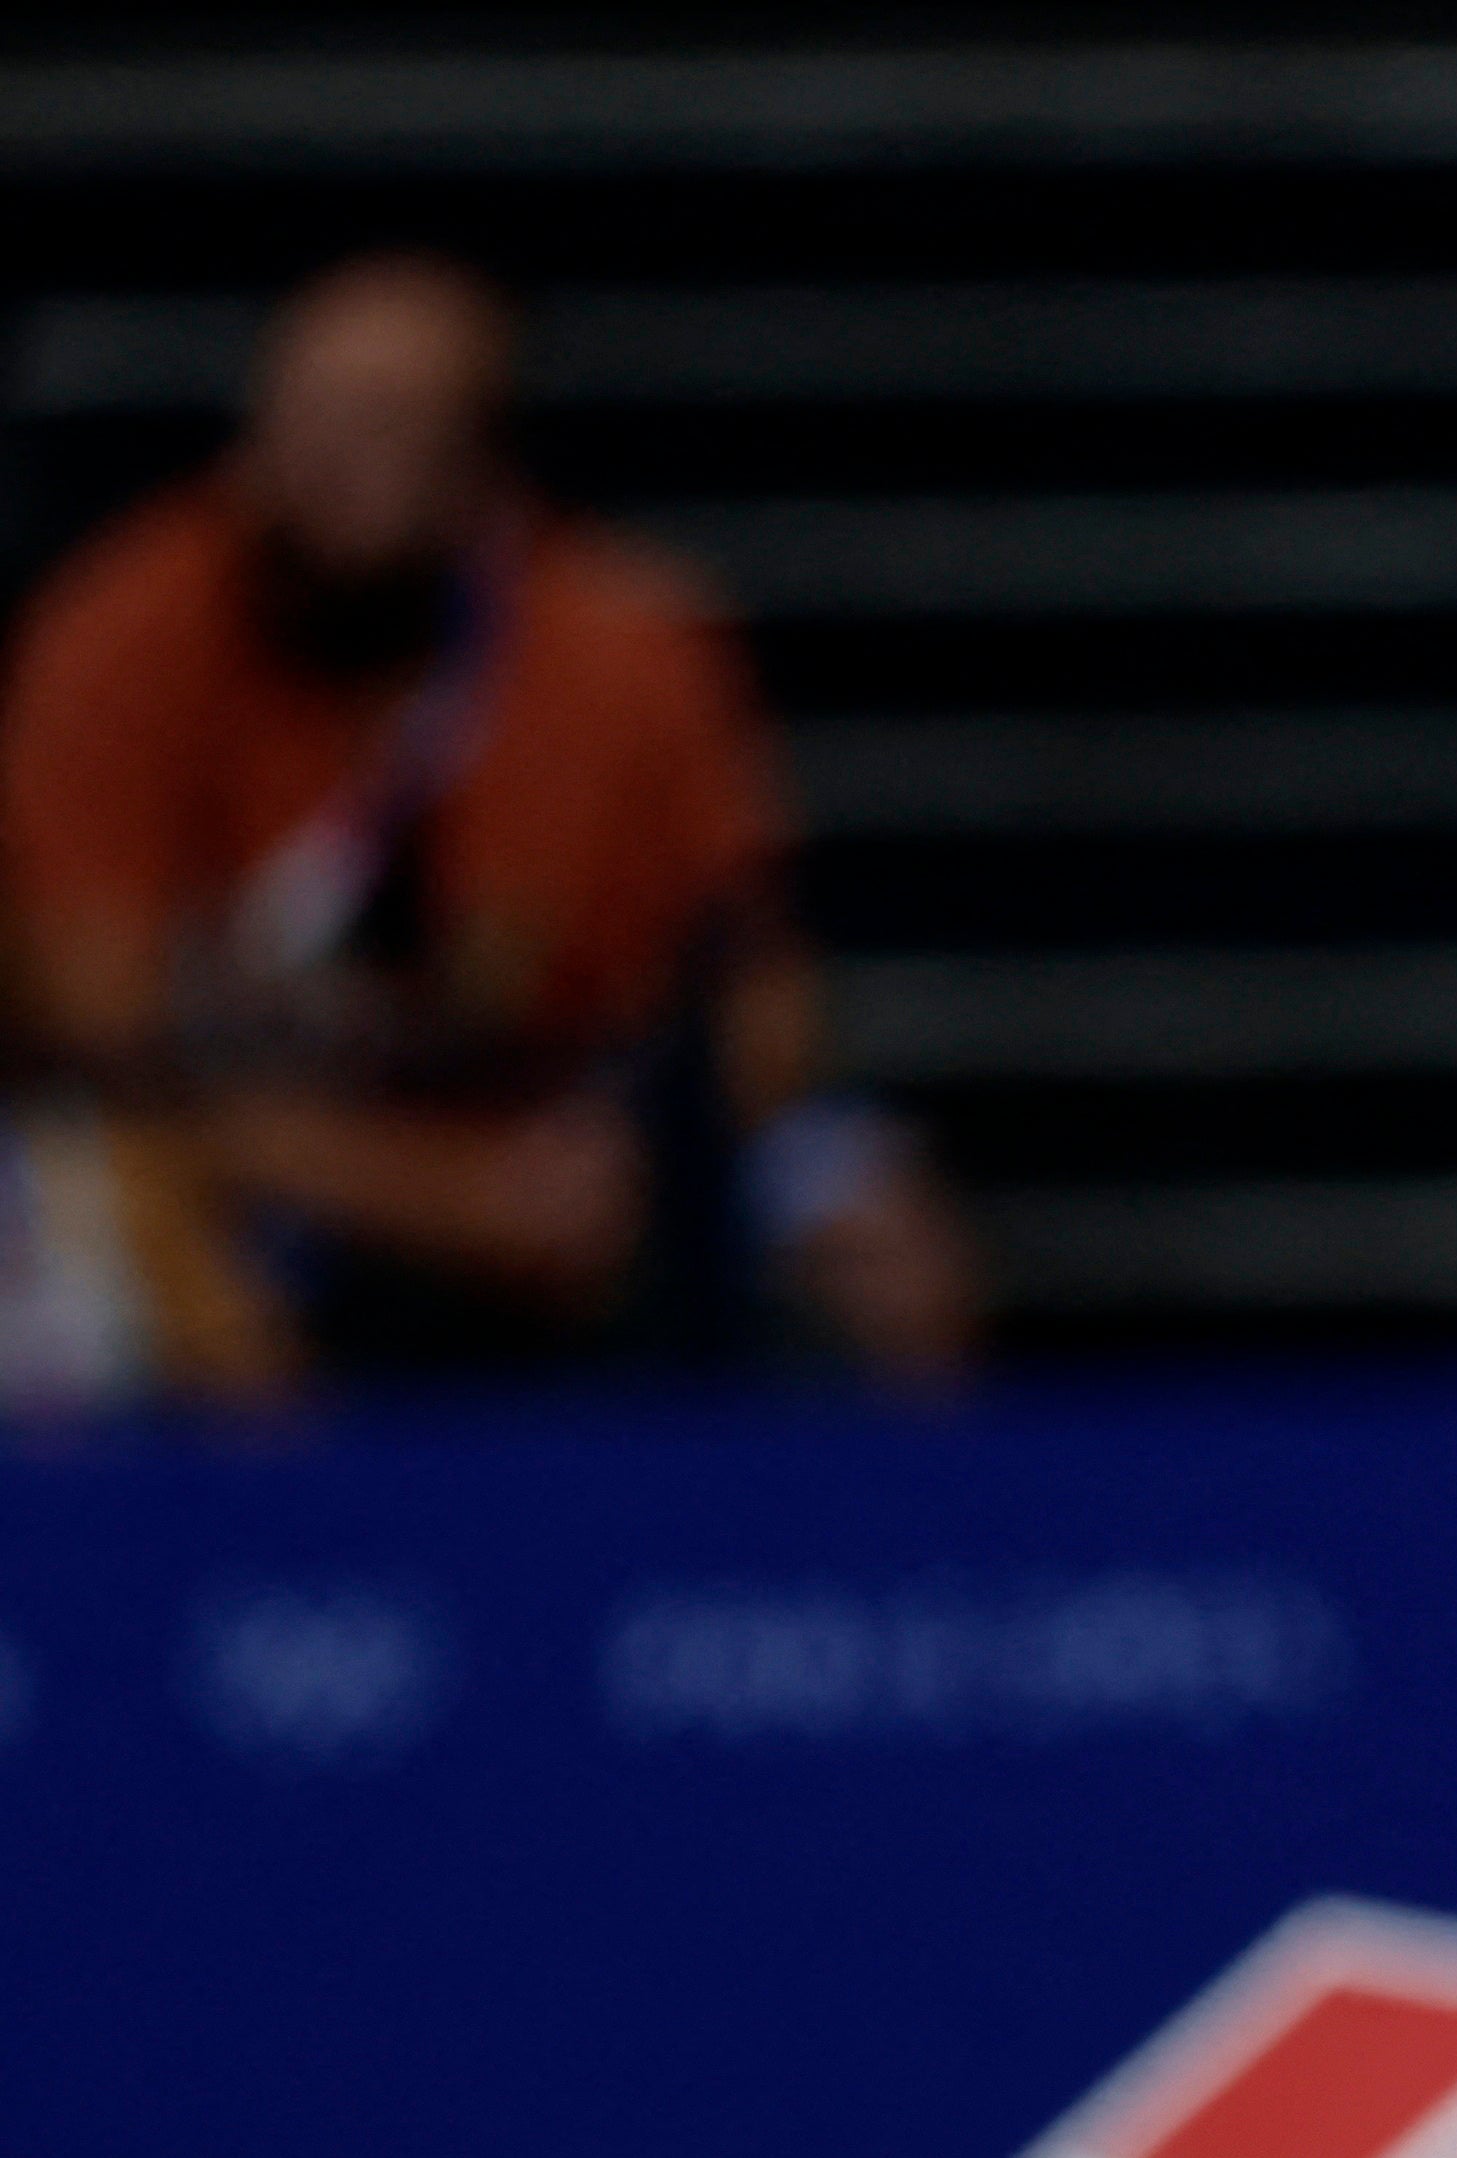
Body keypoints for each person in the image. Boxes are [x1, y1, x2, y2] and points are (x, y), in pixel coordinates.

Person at [0, 252, 978, 1404]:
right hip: (233, 1139)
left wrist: (650, 1155)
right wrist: (443, 1195)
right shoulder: (123, 634)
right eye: (299, 415)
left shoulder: (624, 650)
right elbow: (111, 1050)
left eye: (382, 427)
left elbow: (761, 990)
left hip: (545, 1126)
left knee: (878, 1237)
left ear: (484, 471)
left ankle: (806, 1577)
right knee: (124, 1249)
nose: (321, 462)